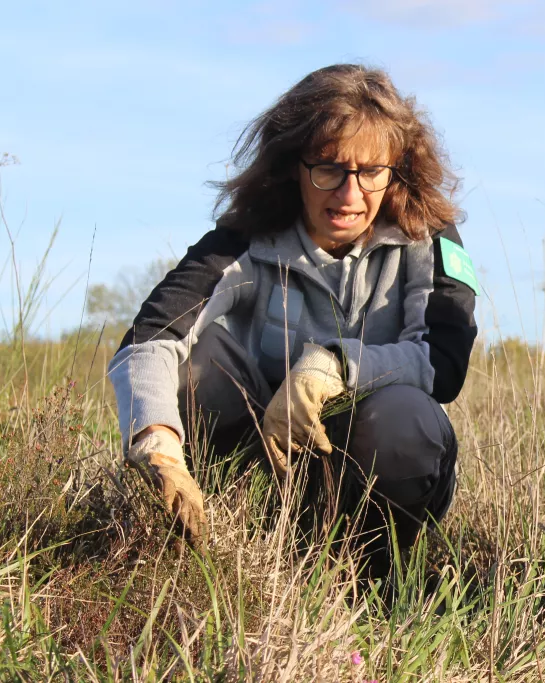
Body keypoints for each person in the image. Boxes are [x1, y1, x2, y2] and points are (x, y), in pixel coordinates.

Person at [108, 64, 479, 575]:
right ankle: (225, 547)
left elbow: (444, 365)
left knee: (405, 420)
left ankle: (376, 570)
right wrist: (158, 445)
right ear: (291, 166)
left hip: (375, 470)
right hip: (262, 465)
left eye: (371, 171)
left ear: (399, 169)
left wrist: (333, 367)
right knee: (197, 358)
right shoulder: (246, 237)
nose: (350, 195)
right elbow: (148, 338)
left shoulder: (429, 234)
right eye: (328, 168)